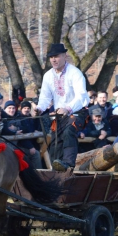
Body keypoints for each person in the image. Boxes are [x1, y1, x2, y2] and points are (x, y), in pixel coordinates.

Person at [33, 43, 89, 171]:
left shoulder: (75, 73)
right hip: (59, 115)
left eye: (56, 56)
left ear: (65, 56)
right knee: (55, 142)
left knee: (69, 131)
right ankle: (55, 170)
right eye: (51, 57)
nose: (53, 59)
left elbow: (81, 96)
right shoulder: (48, 76)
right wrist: (40, 108)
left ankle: (68, 164)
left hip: (77, 112)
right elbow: (45, 97)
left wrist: (68, 108)